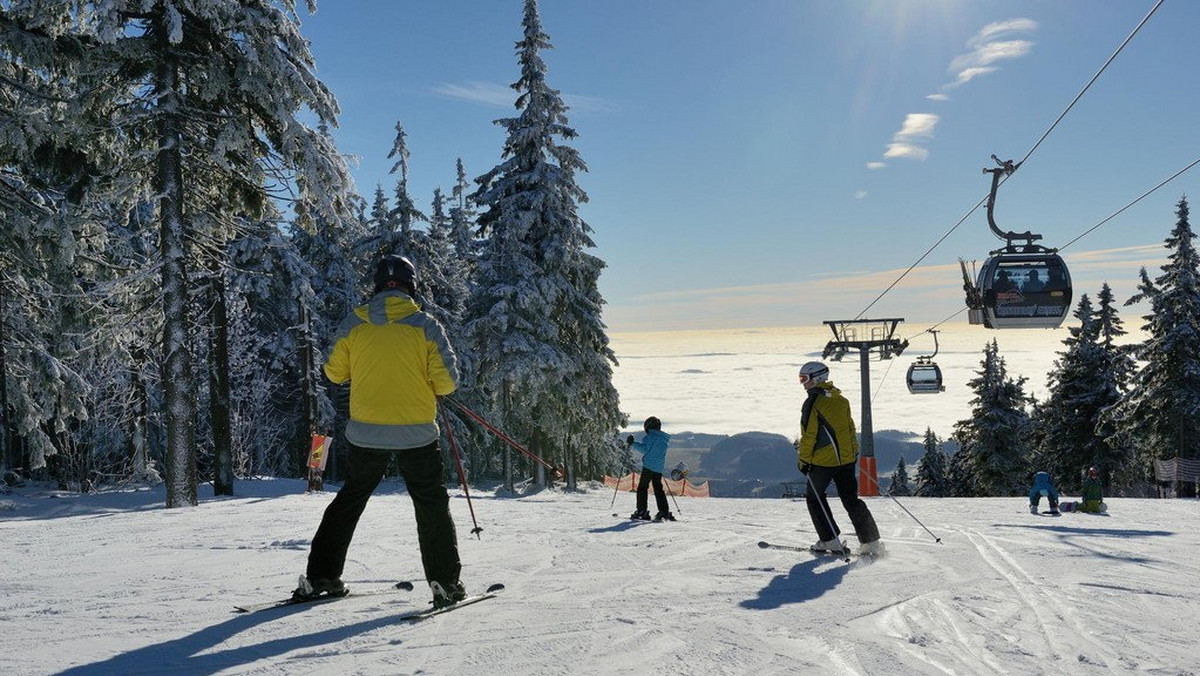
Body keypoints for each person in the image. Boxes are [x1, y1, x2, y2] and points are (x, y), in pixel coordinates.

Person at [296, 255, 465, 609]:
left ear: (376, 286)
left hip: (366, 434)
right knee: (431, 504)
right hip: (417, 433)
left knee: (349, 500)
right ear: (411, 285)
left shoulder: (354, 323)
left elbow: (334, 373)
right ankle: (445, 583)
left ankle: (322, 576)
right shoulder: (426, 325)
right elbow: (447, 383)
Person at [795, 361, 883, 556]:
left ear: (816, 378)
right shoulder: (841, 400)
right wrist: (852, 453)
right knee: (851, 500)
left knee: (814, 498)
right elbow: (850, 429)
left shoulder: (813, 403)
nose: (803, 383)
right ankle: (871, 542)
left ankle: (830, 540)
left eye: (804, 379)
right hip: (846, 461)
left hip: (823, 462)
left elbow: (809, 435)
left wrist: (804, 461)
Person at [626, 416, 674, 522]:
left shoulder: (650, 437)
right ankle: (664, 511)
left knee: (642, 488)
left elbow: (644, 449)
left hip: (648, 467)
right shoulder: (663, 439)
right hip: (658, 468)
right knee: (658, 490)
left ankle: (642, 511)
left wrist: (632, 443)